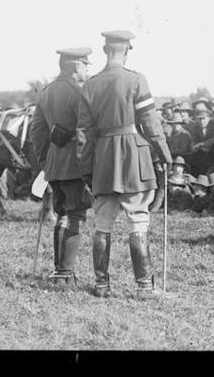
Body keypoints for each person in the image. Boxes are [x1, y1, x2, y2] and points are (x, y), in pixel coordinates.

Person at [77, 30, 173, 298]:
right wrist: (165, 154)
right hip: (134, 157)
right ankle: (144, 287)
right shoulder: (135, 79)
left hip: (103, 158)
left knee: (103, 223)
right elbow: (151, 123)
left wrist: (86, 169)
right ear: (127, 50)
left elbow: (83, 134)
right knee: (138, 220)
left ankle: (101, 285)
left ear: (105, 51)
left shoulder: (90, 85)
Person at [29, 46, 94, 286]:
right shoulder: (78, 93)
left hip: (55, 165)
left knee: (62, 215)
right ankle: (64, 274)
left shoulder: (46, 92)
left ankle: (60, 271)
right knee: (75, 214)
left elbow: (37, 132)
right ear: (77, 66)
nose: (88, 69)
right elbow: (88, 130)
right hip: (76, 163)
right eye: (86, 65)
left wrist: (47, 161)